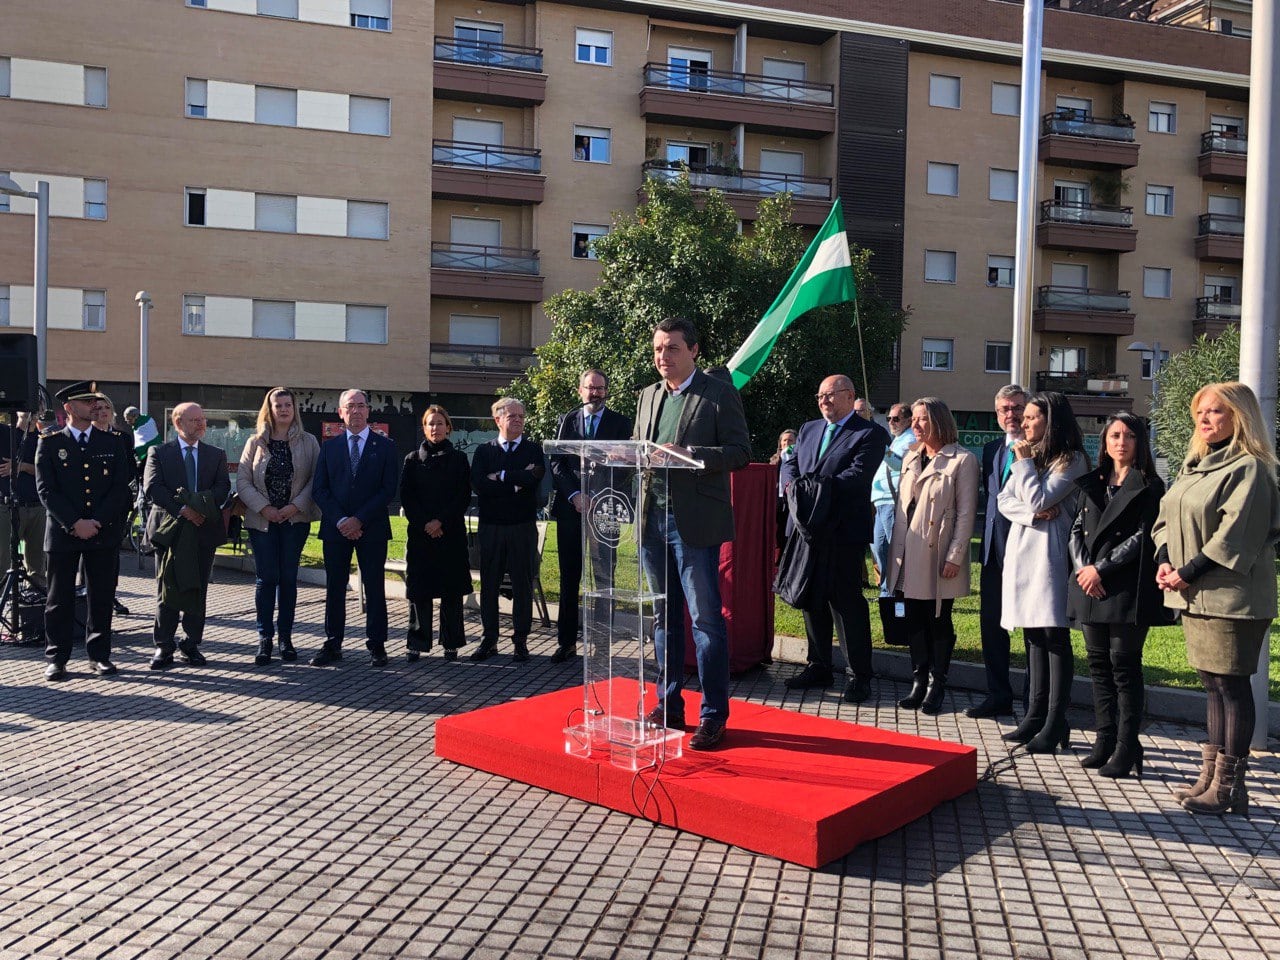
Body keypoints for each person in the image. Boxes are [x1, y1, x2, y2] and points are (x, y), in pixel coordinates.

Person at [1153, 382, 1280, 815]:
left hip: (1232, 596)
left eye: (1215, 412)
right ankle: (1209, 777)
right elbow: (1166, 517)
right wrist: (1166, 559)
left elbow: (1236, 535)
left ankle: (1230, 790)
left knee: (1231, 684)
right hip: (1194, 592)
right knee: (1212, 684)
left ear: (1239, 416)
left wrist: (1185, 574)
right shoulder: (1196, 464)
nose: (1204, 420)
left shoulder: (1251, 468)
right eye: (1200, 412)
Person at [634, 317, 751, 750]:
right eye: (659, 348)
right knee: (664, 618)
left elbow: (741, 452)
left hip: (695, 526)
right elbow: (637, 450)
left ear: (694, 351)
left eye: (672, 348)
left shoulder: (717, 394)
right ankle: (668, 706)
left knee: (704, 622)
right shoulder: (647, 397)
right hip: (651, 523)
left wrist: (693, 455)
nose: (663, 356)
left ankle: (713, 715)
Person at [1068, 413, 1165, 778]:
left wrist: (1100, 569)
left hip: (1124, 587)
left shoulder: (1151, 486)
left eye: (1128, 436)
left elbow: (1144, 536)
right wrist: (1083, 569)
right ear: (1104, 442)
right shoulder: (1093, 481)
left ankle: (1127, 747)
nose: (1120, 442)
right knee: (1098, 668)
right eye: (1114, 435)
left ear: (1139, 442)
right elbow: (1076, 528)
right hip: (1089, 586)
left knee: (1124, 668)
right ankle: (1104, 740)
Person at [780, 375, 888, 703]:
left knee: (846, 604)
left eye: (830, 395)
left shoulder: (869, 433)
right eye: (820, 395)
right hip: (807, 530)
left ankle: (858, 675)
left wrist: (809, 490)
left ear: (849, 395)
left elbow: (856, 477)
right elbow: (791, 466)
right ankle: (819, 665)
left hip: (842, 531)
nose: (823, 401)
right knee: (810, 598)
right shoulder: (810, 429)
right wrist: (792, 488)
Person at [998, 391, 1089, 752]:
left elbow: (1038, 497)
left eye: (1033, 417)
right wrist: (1032, 514)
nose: (1024, 423)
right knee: (1033, 635)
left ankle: (1056, 721)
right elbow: (1006, 500)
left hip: (1051, 556)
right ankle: (1034, 716)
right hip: (1025, 548)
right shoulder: (1031, 456)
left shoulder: (1073, 460)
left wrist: (1025, 478)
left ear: (1052, 421)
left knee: (1053, 635)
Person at [883, 397, 978, 714]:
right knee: (913, 619)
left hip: (938, 554)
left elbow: (966, 515)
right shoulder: (911, 456)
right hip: (907, 550)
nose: (915, 424)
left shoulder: (961, 460)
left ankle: (938, 684)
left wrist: (955, 555)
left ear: (939, 421)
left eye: (922, 419)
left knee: (937, 619)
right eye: (914, 419)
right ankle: (918, 681)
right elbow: (901, 508)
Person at [35, 381, 134, 680]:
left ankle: (99, 655)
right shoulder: (51, 443)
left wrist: (97, 522)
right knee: (58, 598)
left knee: (101, 596)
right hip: (64, 532)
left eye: (95, 401)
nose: (94, 406)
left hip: (102, 533)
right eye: (86, 402)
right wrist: (74, 522)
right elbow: (47, 490)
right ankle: (57, 657)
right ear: (68, 408)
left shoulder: (113, 442)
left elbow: (120, 488)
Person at [550, 369, 633, 663]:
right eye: (590, 388)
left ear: (606, 391)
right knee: (569, 577)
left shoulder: (622, 424)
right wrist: (575, 495)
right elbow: (558, 463)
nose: (595, 393)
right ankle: (567, 642)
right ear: (580, 390)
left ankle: (601, 645)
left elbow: (626, 467)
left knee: (603, 580)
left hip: (604, 510)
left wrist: (600, 494)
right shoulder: (567, 421)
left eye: (600, 388)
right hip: (572, 508)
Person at [311, 389, 399, 667]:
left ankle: (377, 644)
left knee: (374, 586)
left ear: (369, 411)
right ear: (340, 413)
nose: (356, 411)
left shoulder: (385, 447)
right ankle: (333, 643)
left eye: (361, 406)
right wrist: (341, 520)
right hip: (335, 529)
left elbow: (388, 490)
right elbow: (320, 490)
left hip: (371, 528)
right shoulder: (329, 448)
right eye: (351, 406)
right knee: (335, 587)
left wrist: (358, 520)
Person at [236, 387, 320, 666]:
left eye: (288, 405)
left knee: (287, 579)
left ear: (294, 409)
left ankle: (286, 638)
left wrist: (294, 506)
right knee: (266, 577)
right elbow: (243, 481)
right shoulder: (255, 442)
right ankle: (265, 639)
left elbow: (315, 480)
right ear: (269, 409)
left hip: (294, 520)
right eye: (278, 405)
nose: (284, 409)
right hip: (263, 521)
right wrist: (265, 508)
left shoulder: (308, 442)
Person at [144, 403, 231, 669]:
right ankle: (164, 646)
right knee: (167, 588)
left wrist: (199, 508)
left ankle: (191, 644)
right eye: (195, 420)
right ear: (178, 422)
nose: (201, 424)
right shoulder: (159, 452)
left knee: (198, 588)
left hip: (203, 530)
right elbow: (153, 487)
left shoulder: (215, 454)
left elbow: (222, 488)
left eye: (203, 419)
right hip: (171, 529)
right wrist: (183, 509)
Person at [967, 384, 1027, 720]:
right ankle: (998, 695)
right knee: (991, 628)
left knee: (1032, 633)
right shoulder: (991, 449)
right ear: (997, 413)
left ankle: (1036, 704)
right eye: (1005, 409)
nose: (1011, 415)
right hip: (992, 552)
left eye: (1017, 408)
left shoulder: (1038, 448)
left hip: (1024, 552)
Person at [471, 397, 545, 663]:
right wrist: (516, 482)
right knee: (489, 584)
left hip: (522, 528)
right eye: (512, 416)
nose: (518, 421)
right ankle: (489, 639)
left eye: (521, 417)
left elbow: (534, 478)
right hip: (492, 527)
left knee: (522, 585)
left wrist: (500, 477)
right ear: (498, 419)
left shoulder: (533, 450)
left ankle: (521, 641)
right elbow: (480, 486)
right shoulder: (484, 452)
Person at [401, 405, 472, 662]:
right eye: (430, 423)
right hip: (421, 536)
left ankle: (451, 643)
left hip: (450, 534)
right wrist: (426, 523)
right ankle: (417, 643)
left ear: (448, 427)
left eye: (440, 423)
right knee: (420, 591)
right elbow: (407, 498)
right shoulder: (412, 460)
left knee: (451, 591)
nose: (435, 428)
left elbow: (462, 496)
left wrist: (441, 521)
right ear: (424, 427)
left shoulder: (459, 459)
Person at [92, 393, 135, 615]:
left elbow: (129, 471)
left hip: (116, 506)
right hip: (90, 508)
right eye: (97, 408)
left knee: (112, 555)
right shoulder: (85, 437)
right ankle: (86, 595)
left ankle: (110, 595)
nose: (102, 412)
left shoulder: (123, 437)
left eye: (106, 407)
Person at [870, 403, 915, 595]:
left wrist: (882, 449)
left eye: (896, 419)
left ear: (908, 420)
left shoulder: (910, 439)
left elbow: (898, 465)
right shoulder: (897, 439)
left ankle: (897, 590)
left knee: (894, 549)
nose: (891, 422)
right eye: (889, 418)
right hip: (881, 501)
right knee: (878, 547)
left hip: (892, 500)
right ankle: (887, 589)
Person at [0, 410, 47, 592]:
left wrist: (23, 467)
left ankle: (35, 600)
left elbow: (49, 471)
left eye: (34, 411)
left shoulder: (44, 439)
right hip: (8, 506)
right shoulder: (5, 433)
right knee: (3, 560)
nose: (30, 413)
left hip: (36, 507)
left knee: (37, 562)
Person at [769, 429, 798, 558]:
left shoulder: (800, 459)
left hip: (791, 500)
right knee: (777, 534)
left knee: (788, 533)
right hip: (776, 501)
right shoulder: (774, 461)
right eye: (784, 440)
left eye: (790, 440)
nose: (787, 443)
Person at [124, 404, 160, 470]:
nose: (128, 422)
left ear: (136, 416)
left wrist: (136, 451)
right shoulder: (138, 424)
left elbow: (144, 443)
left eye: (129, 420)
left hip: (150, 455)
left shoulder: (145, 423)